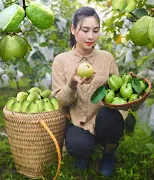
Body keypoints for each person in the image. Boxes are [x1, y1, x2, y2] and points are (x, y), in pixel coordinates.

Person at [51, 6, 124, 176]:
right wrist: (71, 84)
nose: (91, 36)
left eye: (95, 30)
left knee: (111, 118)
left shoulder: (107, 58)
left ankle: (108, 153)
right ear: (73, 29)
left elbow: (119, 93)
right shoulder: (61, 61)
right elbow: (59, 102)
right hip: (79, 122)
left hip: (104, 120)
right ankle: (84, 155)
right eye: (85, 30)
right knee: (78, 146)